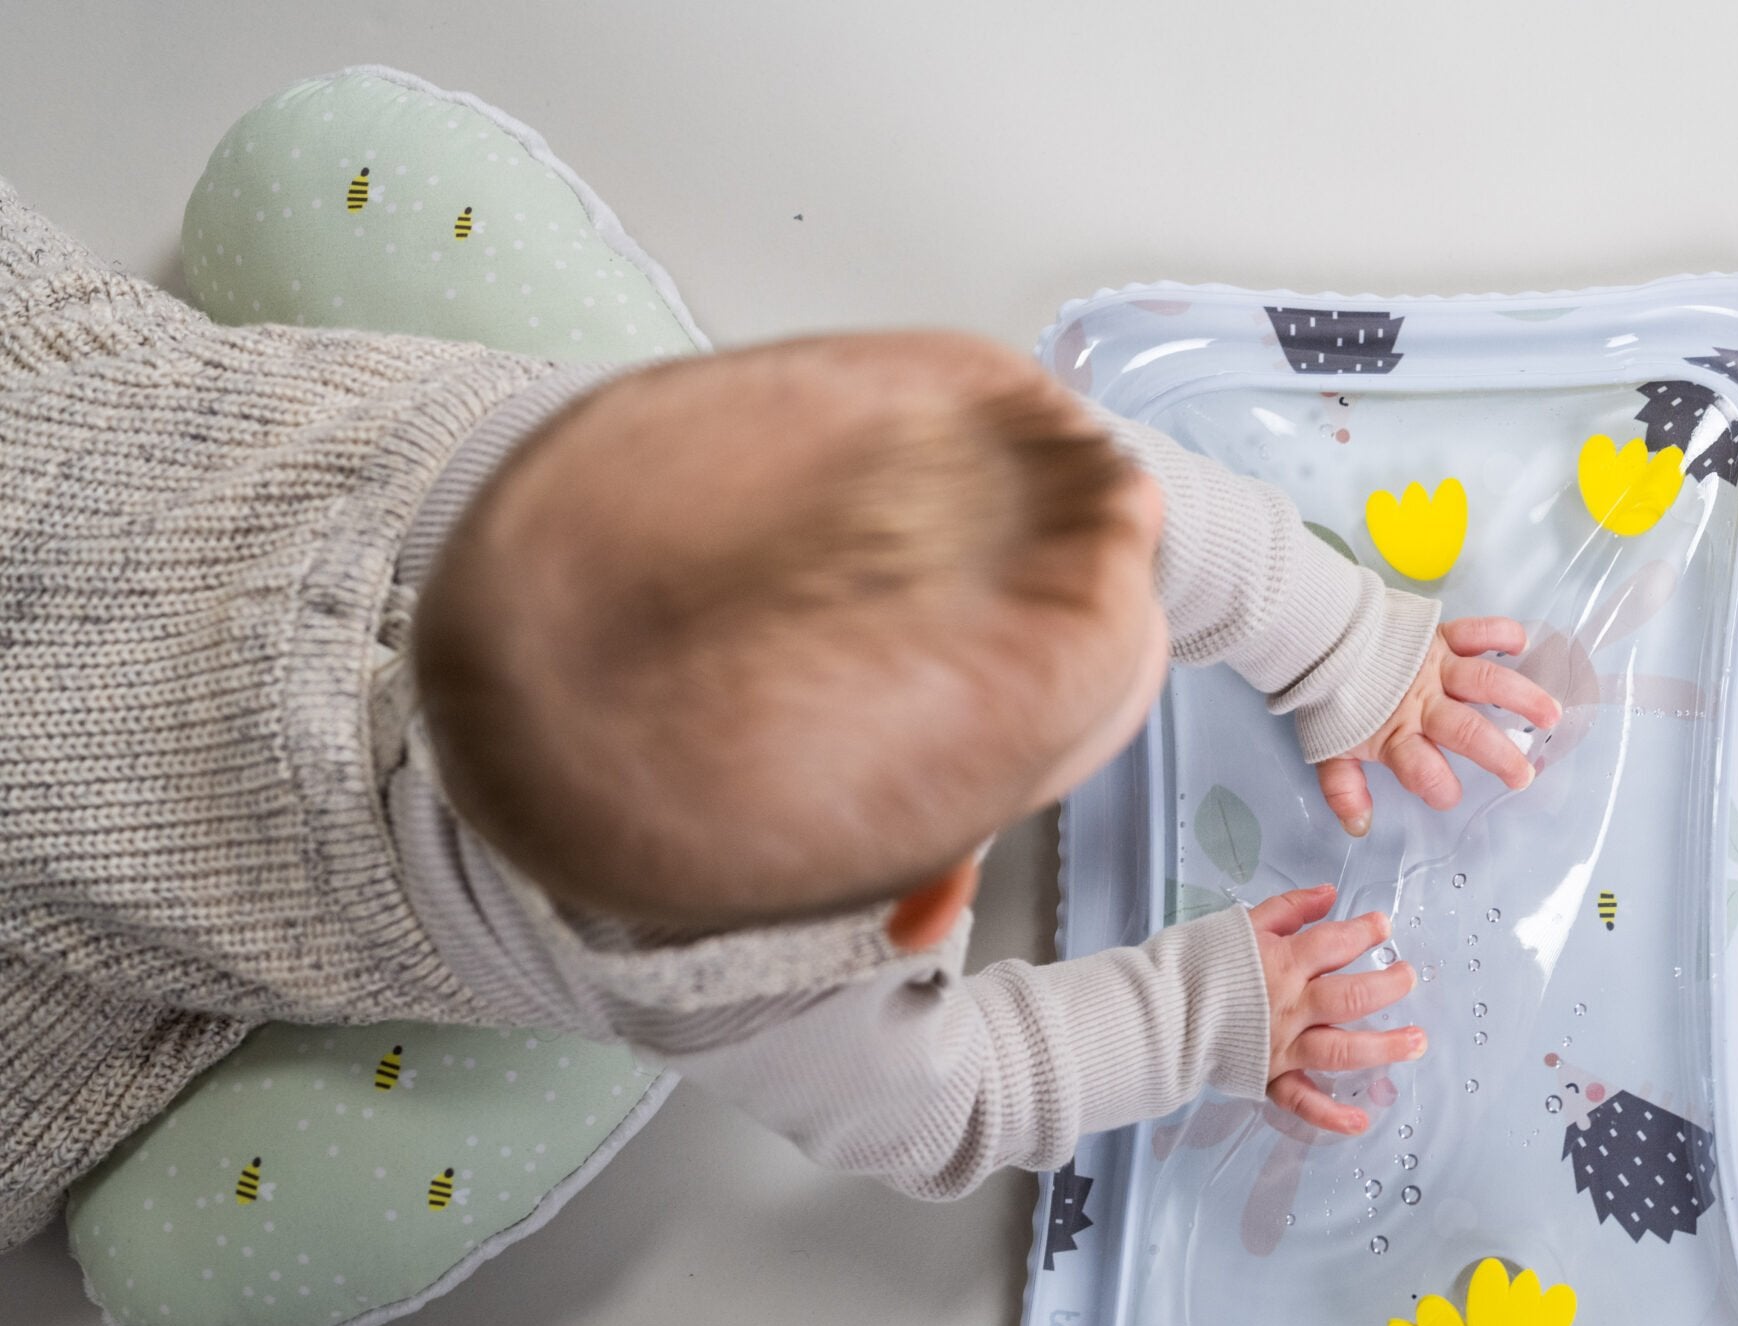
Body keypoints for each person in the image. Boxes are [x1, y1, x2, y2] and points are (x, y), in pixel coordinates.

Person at [0, 177, 1560, 1250]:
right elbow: (952, 1102)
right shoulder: (754, 979)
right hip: (79, 839)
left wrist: (1347, 636)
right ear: (929, 896)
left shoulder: (637, 465)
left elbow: (1090, 502)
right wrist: (1213, 1014)